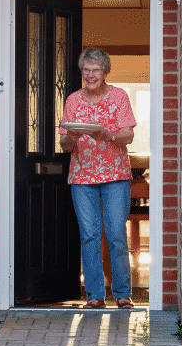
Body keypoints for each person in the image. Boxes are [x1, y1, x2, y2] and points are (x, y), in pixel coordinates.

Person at [58, 48, 136, 309]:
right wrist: (72, 138)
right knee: (89, 235)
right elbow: (64, 145)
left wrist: (107, 135)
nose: (90, 75)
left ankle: (123, 293)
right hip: (82, 176)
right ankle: (94, 295)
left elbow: (128, 135)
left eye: (96, 70)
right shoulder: (73, 101)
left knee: (115, 234)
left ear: (105, 73)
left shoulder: (119, 97)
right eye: (86, 70)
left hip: (115, 175)